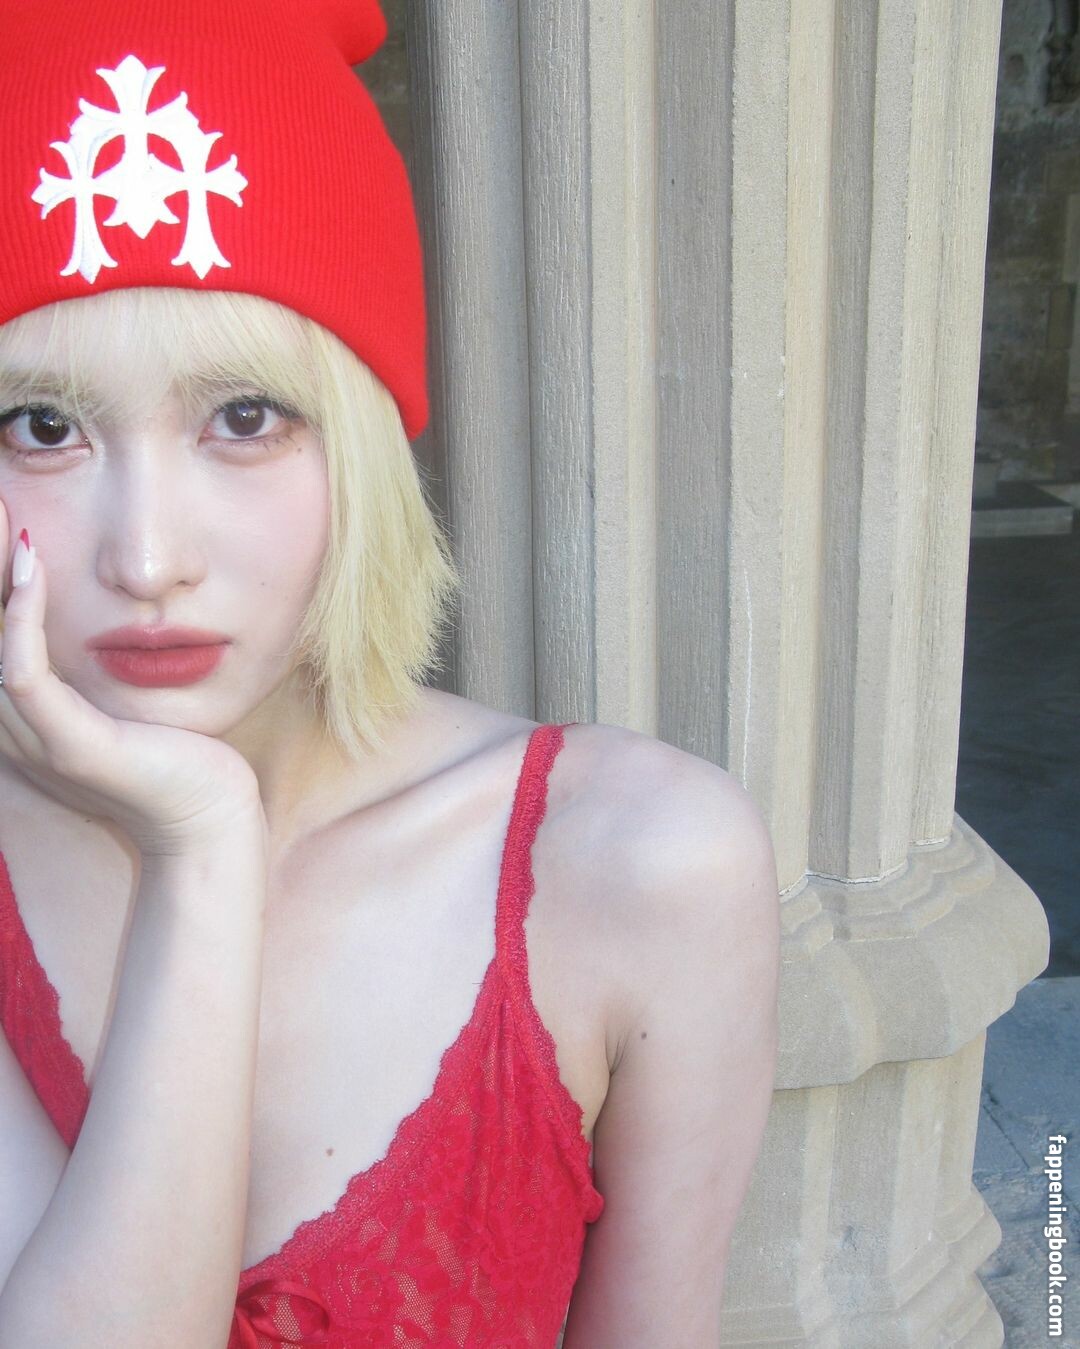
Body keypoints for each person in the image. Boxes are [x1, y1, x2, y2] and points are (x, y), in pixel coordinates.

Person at [0, 2, 780, 1345]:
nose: (148, 558)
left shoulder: (642, 863)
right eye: (43, 425)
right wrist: (201, 853)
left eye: (246, 416)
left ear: (362, 442)